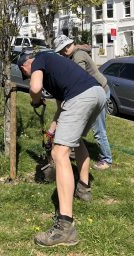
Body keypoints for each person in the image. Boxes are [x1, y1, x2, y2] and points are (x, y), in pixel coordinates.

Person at [18, 51, 106, 247]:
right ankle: (83, 188)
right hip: (97, 94)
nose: (29, 75)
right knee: (75, 142)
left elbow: (35, 88)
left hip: (81, 97)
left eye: (26, 73)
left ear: (26, 66)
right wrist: (51, 133)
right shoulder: (55, 72)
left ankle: (65, 227)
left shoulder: (40, 58)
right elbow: (61, 109)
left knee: (59, 153)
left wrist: (35, 99)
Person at [53, 35, 112, 170]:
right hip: (96, 91)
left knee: (98, 129)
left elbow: (79, 77)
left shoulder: (78, 56)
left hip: (99, 92)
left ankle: (106, 160)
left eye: (62, 50)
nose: (61, 53)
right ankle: (74, 150)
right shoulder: (75, 54)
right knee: (81, 123)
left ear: (67, 46)